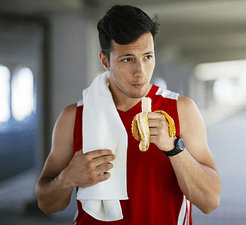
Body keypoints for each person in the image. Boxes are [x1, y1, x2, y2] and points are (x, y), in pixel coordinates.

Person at [36, 4, 221, 224]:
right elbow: (47, 205)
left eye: (147, 57)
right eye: (127, 59)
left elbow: (209, 201)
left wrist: (174, 147)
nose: (140, 71)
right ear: (105, 61)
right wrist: (67, 179)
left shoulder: (182, 110)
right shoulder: (74, 117)